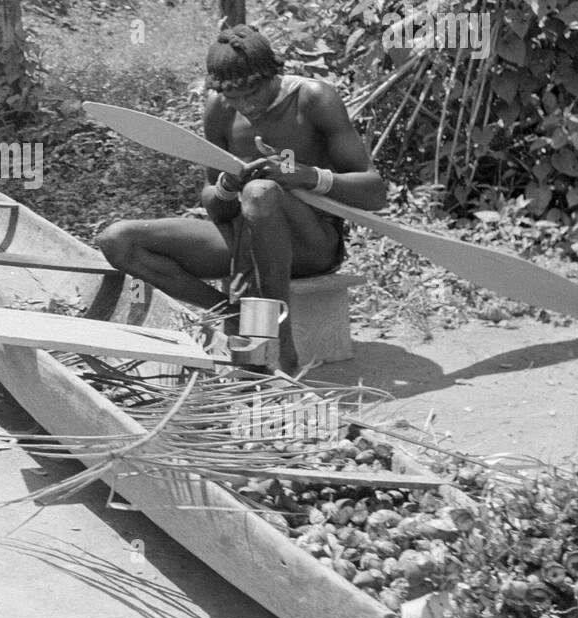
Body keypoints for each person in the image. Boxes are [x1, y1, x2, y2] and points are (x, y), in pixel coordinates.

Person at [96, 25, 387, 371]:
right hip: (243, 240)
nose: (247, 104)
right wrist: (227, 186)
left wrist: (308, 176)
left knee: (261, 192)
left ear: (274, 74)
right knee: (118, 240)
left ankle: (281, 346)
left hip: (312, 243)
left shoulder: (313, 98)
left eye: (255, 91)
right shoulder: (219, 109)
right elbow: (215, 208)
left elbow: (374, 192)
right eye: (235, 96)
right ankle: (237, 315)